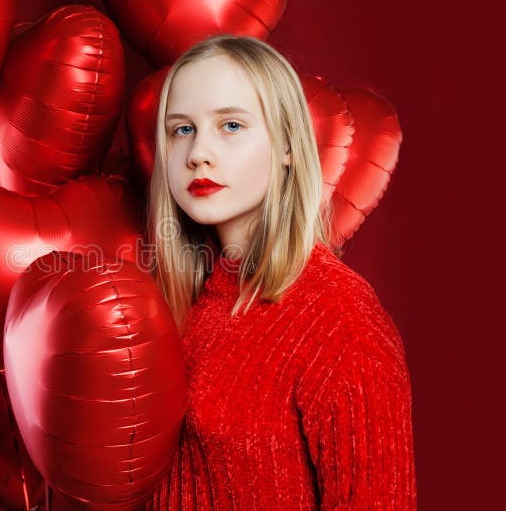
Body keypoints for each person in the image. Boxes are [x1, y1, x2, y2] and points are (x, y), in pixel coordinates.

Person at [145, 35, 416, 509]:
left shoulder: (341, 326)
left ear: (289, 145)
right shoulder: (186, 303)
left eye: (230, 125)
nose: (198, 153)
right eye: (181, 130)